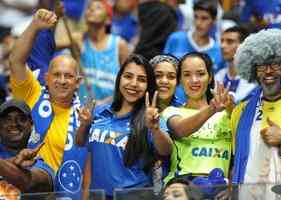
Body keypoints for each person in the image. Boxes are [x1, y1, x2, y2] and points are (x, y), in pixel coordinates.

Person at [9, 9, 88, 198]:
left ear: (78, 82)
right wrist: (35, 26)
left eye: (68, 76)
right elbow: (16, 61)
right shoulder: (33, 94)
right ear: (46, 77)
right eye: (56, 75)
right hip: (30, 184)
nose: (62, 80)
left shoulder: (87, 114)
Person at [77, 54, 173, 199]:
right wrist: (85, 125)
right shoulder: (99, 112)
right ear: (119, 79)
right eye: (128, 76)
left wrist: (155, 128)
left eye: (141, 80)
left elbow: (166, 150)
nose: (134, 84)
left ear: (149, 86)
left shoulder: (152, 118)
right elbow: (81, 144)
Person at [231, 29, 281, 200]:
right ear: (253, 70)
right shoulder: (240, 111)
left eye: (275, 64)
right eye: (261, 65)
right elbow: (235, 163)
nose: (268, 71)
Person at [161, 52, 233, 183]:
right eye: (187, 75)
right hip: (181, 187)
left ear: (210, 77)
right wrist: (212, 109)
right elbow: (180, 130)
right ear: (180, 80)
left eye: (200, 74)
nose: (194, 80)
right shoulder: (171, 112)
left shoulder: (227, 114)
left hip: (219, 190)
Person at [57, 0, 129, 103]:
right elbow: (50, 45)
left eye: (98, 8)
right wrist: (57, 16)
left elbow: (126, 83)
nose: (91, 10)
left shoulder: (119, 45)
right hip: (82, 110)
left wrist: (103, 103)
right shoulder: (78, 41)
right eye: (89, 8)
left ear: (108, 19)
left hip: (108, 111)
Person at [0, 99, 54, 193]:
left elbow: (30, 184)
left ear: (31, 124)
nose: (14, 124)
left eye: (21, 118)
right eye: (7, 119)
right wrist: (13, 161)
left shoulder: (35, 162)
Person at [164, 0, 223, 73]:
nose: (198, 23)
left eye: (204, 18)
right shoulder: (176, 38)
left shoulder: (219, 51)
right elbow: (163, 68)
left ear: (214, 21)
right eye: (196, 17)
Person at [215, 26, 256, 103]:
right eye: (222, 41)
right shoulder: (219, 75)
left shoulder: (254, 79)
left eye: (229, 41)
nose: (222, 46)